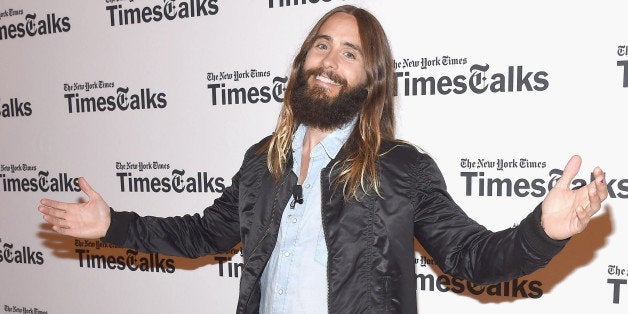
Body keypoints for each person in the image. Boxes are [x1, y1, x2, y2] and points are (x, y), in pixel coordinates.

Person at [38, 5, 608, 314]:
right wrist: (113, 225)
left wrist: (542, 231)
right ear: (302, 62)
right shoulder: (263, 161)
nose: (329, 61)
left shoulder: (401, 169)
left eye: (350, 52)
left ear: (371, 78)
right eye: (321, 45)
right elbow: (202, 234)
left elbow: (472, 257)